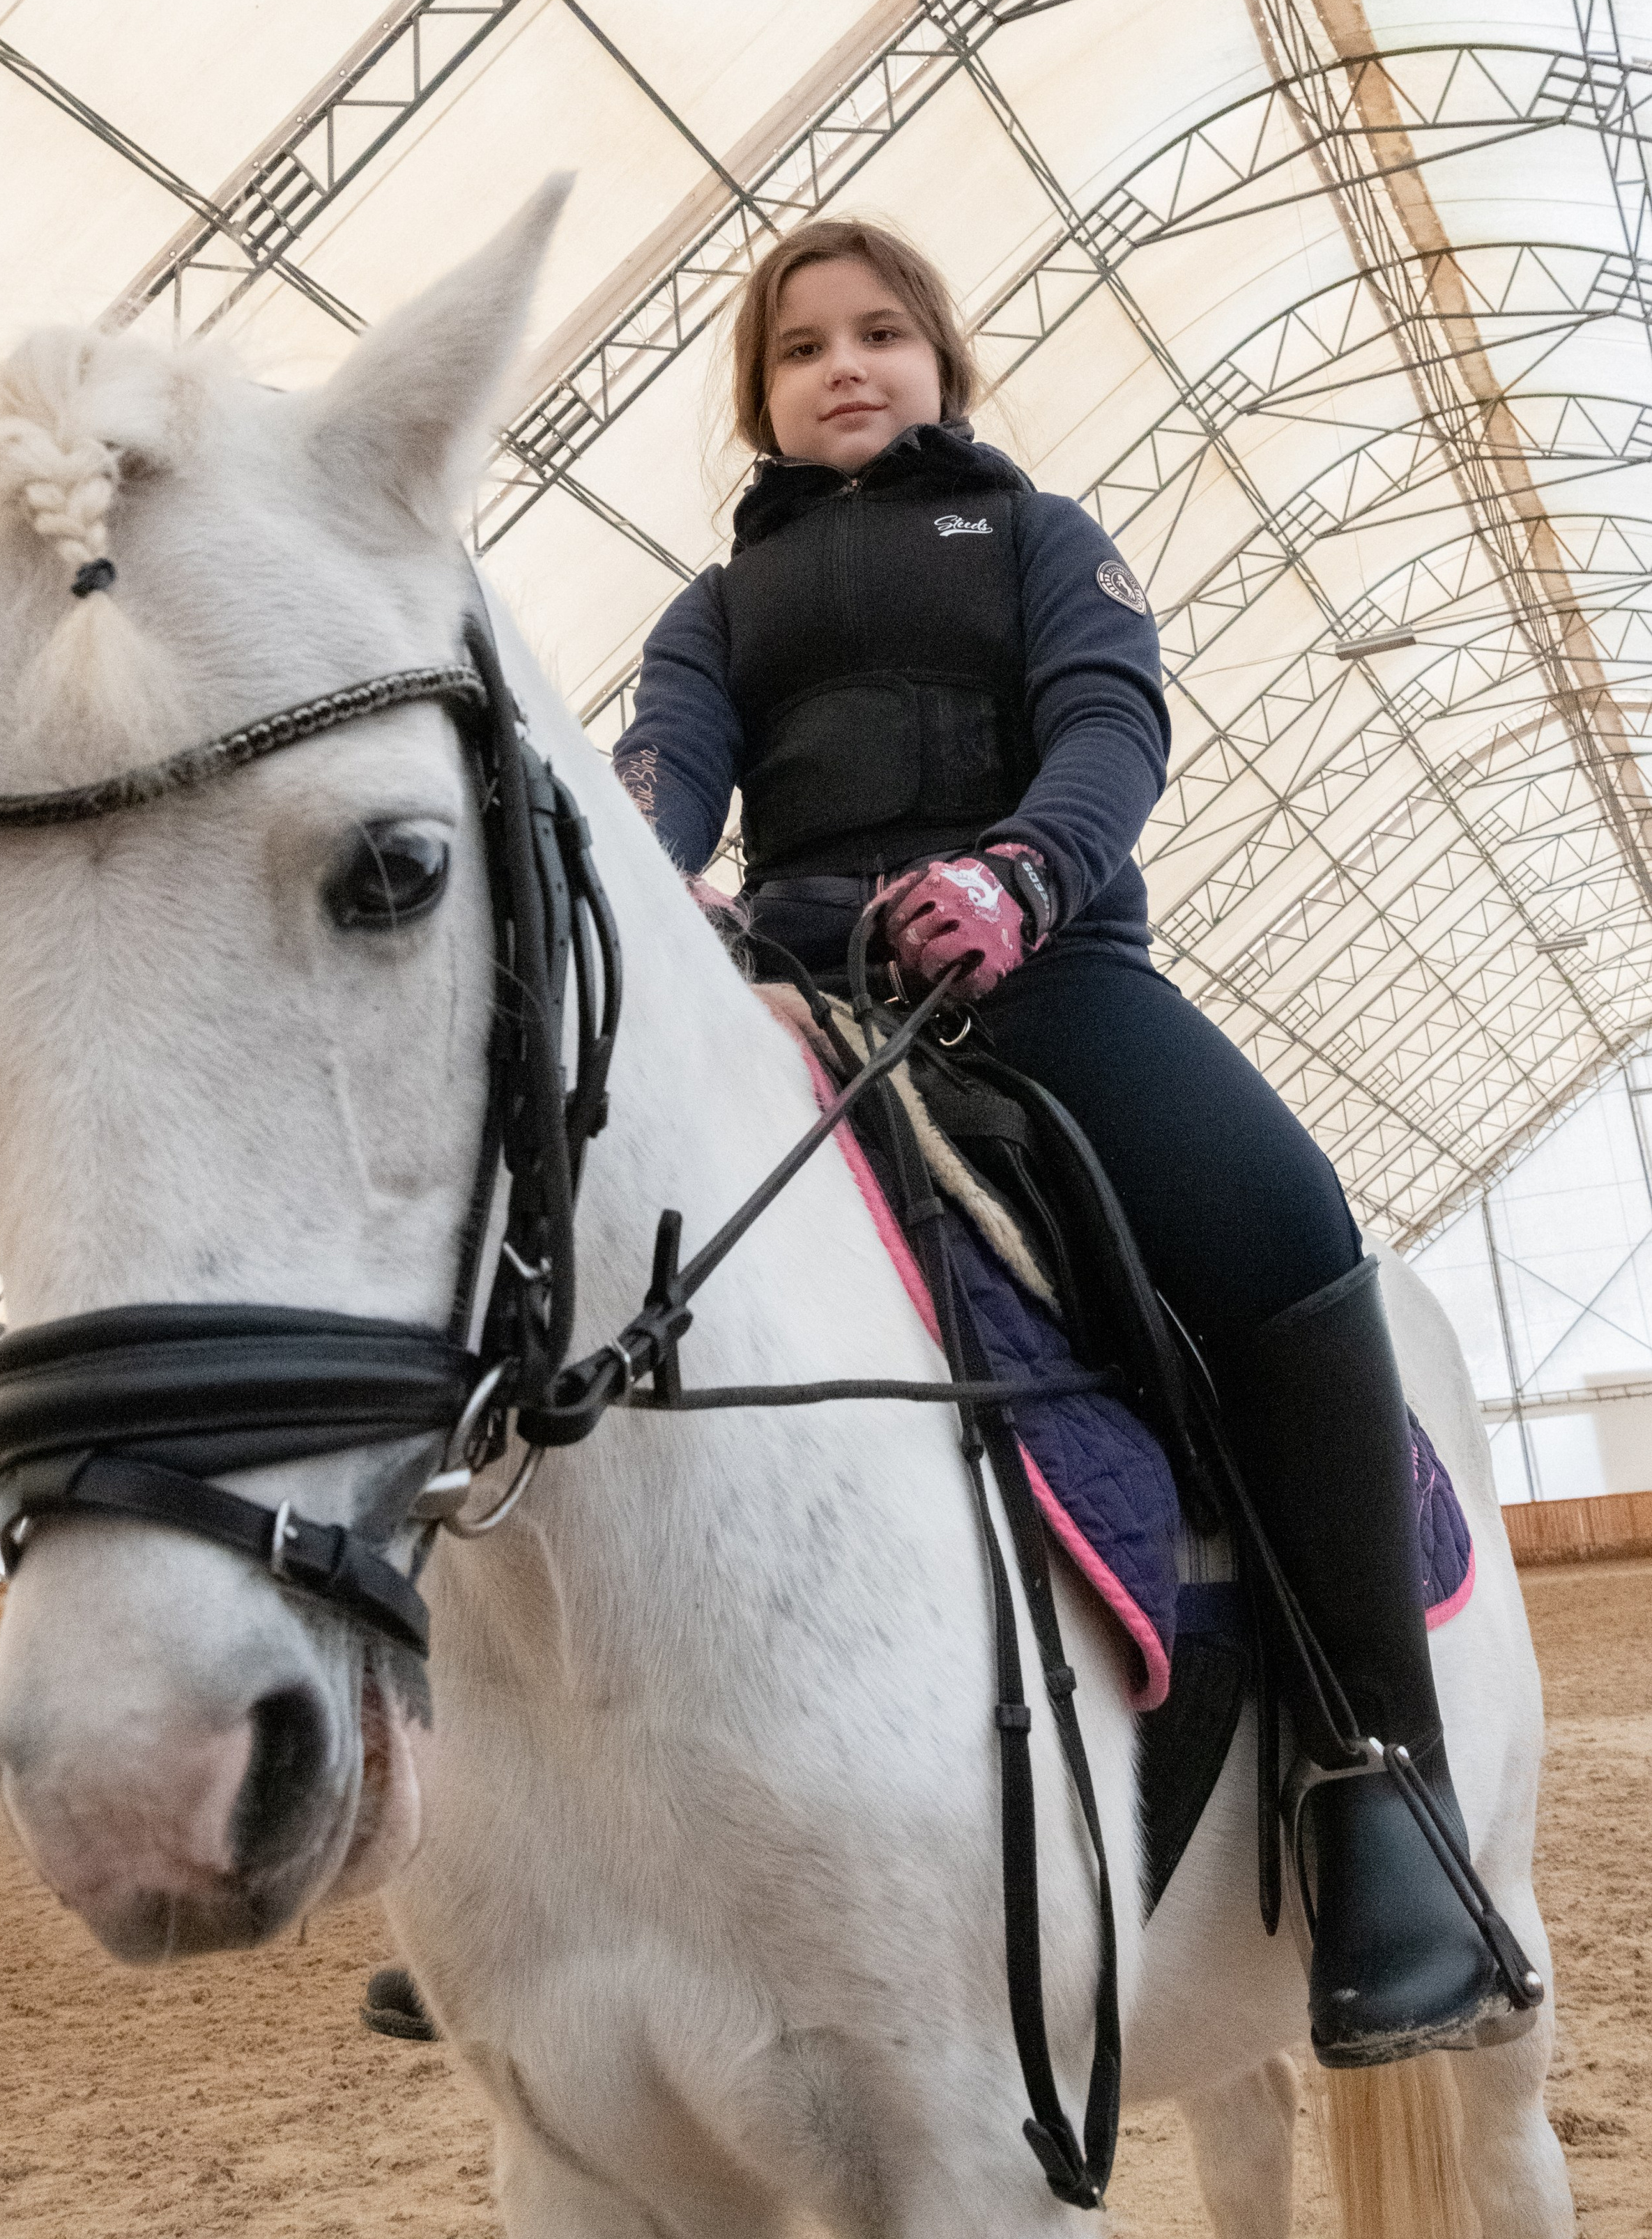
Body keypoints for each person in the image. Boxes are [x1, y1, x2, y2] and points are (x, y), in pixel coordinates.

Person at [611, 217, 1533, 2071]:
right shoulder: (710, 613)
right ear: (761, 399)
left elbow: (1114, 727)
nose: (846, 366)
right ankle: (548, 1818)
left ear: (944, 359)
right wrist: (656, 887)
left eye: (884, 331)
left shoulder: (1043, 542)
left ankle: (1385, 1794)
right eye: (803, 350)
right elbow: (664, 770)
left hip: (1038, 977)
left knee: (1284, 1228)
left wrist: (1025, 869)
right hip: (797, 1009)